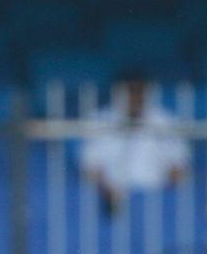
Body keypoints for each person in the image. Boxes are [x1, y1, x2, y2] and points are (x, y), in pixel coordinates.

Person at [80, 72, 190, 215]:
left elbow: (179, 168)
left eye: (140, 92)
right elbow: (90, 169)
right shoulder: (98, 120)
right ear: (119, 93)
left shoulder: (165, 120)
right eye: (131, 91)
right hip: (114, 195)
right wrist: (109, 192)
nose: (135, 98)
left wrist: (164, 198)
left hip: (156, 198)